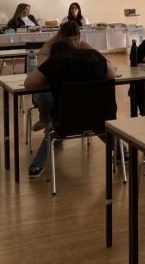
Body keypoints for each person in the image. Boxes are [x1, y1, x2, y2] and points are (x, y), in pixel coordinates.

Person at [24, 40, 116, 178]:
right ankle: (123, 153)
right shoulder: (95, 56)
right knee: (97, 125)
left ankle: (37, 164)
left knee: (58, 130)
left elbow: (28, 83)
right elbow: (112, 76)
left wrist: (49, 81)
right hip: (101, 116)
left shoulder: (54, 62)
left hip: (66, 120)